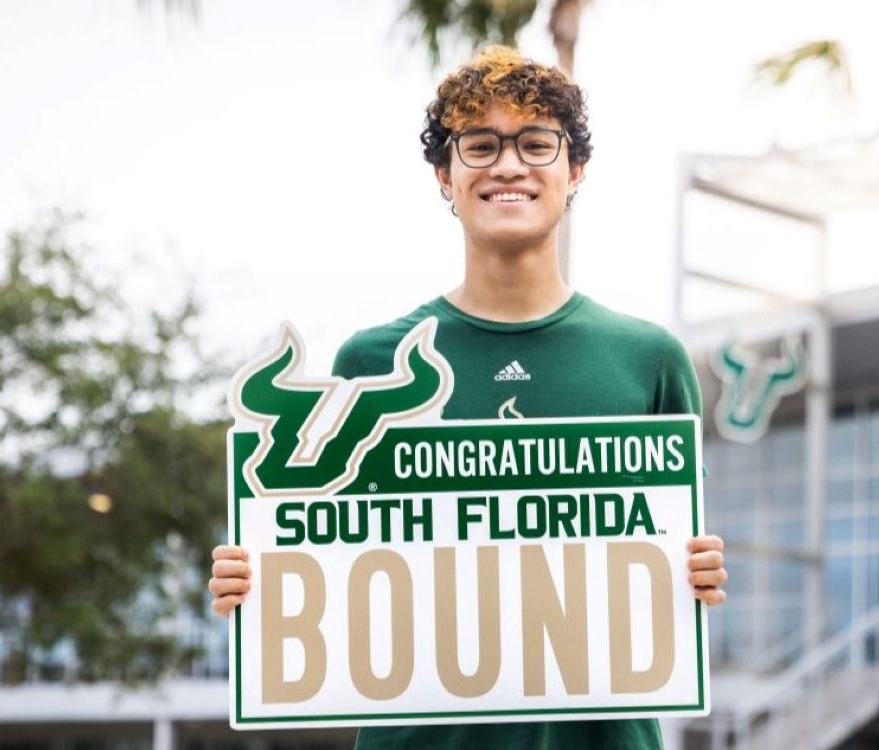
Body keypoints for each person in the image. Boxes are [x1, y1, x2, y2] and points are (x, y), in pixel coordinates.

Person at [209, 44, 727, 749]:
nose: (508, 165)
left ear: (575, 171)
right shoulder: (370, 362)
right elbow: (333, 577)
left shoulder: (649, 359)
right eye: (480, 145)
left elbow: (669, 566)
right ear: (443, 176)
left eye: (535, 144)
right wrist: (260, 579)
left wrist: (697, 571)